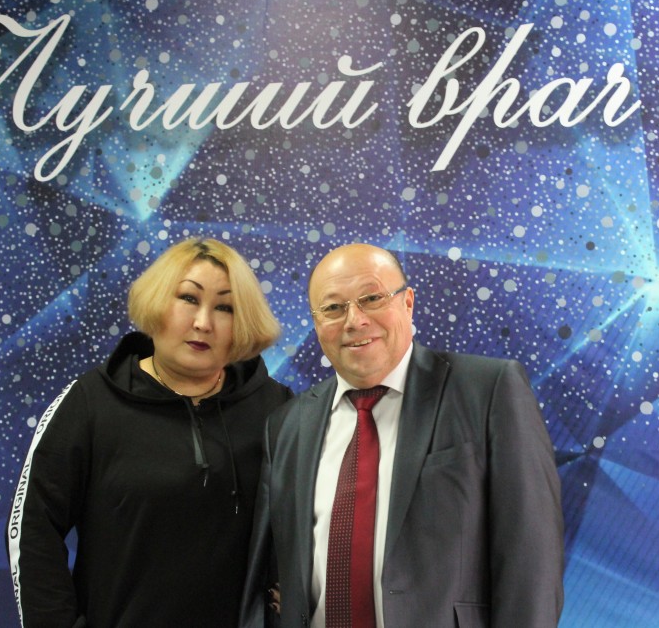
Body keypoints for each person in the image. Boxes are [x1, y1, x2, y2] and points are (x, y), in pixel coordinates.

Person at [240, 243, 564, 628]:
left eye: (372, 298)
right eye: (333, 308)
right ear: (316, 323)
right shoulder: (288, 424)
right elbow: (273, 568)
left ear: (408, 302)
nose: (354, 320)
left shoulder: (488, 391)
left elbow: (532, 563)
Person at [7, 237, 291, 628]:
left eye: (225, 307)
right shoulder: (90, 402)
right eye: (188, 298)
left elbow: (310, 525)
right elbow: (33, 528)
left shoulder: (277, 409)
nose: (203, 322)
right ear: (157, 301)